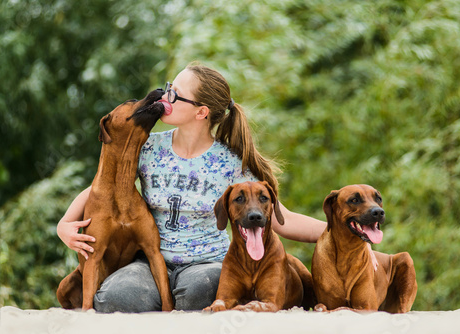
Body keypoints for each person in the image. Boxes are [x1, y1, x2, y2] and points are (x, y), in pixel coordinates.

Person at [57, 62, 327, 313]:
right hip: (152, 262)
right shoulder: (150, 147)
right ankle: (160, 299)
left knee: (198, 292)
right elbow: (107, 187)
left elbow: (284, 219)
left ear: (201, 112)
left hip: (207, 263)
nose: (165, 97)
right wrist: (65, 224)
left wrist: (343, 235)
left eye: (175, 94)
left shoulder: (229, 163)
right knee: (117, 296)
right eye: (168, 88)